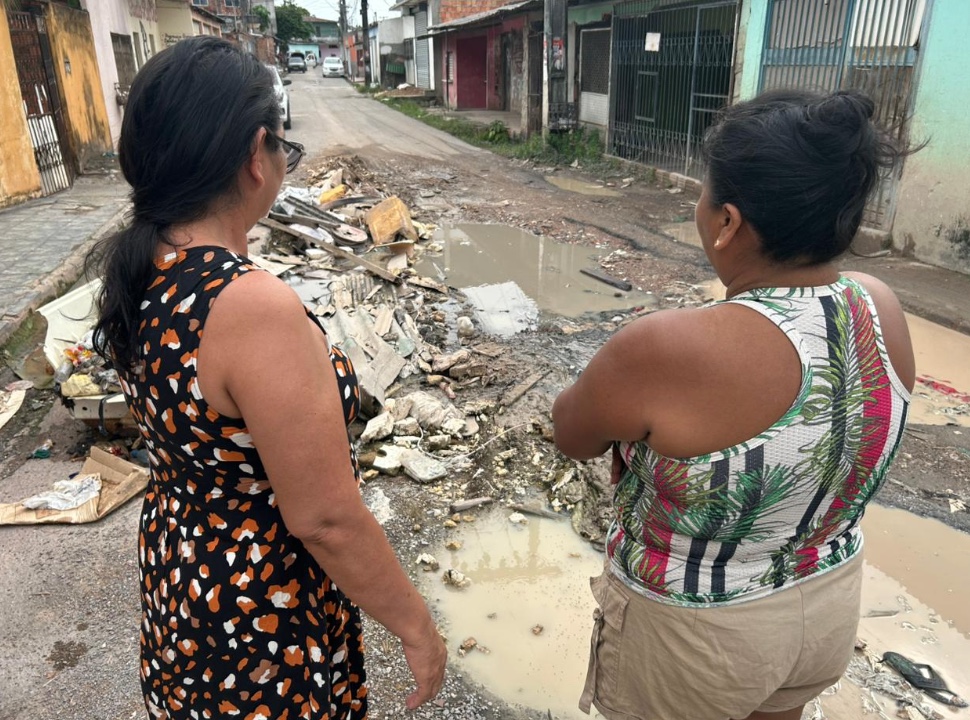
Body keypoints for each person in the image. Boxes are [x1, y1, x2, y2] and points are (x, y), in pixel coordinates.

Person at [88, 36, 445, 719]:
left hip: (186, 585)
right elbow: (326, 517)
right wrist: (417, 627)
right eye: (285, 146)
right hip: (257, 621)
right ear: (257, 154)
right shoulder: (248, 304)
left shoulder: (149, 267)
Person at [552, 89, 915, 720]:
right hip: (824, 604)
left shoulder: (668, 347)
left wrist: (636, 443)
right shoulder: (877, 305)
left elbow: (571, 433)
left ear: (727, 224)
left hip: (697, 639)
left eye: (703, 194)